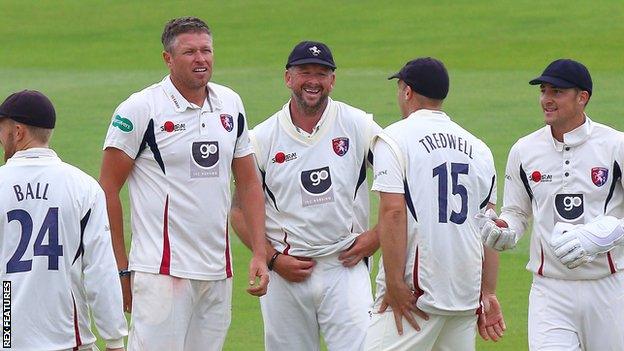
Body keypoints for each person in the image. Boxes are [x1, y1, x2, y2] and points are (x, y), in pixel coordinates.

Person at [99, 17, 268, 351]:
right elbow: (105, 191)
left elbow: (249, 183)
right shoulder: (140, 109)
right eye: (190, 52)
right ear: (168, 59)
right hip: (161, 274)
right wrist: (120, 270)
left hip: (218, 273)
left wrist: (260, 253)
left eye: (206, 50)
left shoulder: (230, 104)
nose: (200, 59)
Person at [231, 41, 381, 350]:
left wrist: (377, 236)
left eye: (321, 74)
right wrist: (271, 258)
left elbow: (401, 184)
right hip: (286, 272)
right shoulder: (262, 138)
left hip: (345, 265)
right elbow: (237, 211)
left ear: (332, 81)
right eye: (304, 73)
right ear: (288, 78)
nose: (313, 81)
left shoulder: (358, 125)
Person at [479, 58, 624, 350]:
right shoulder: (524, 149)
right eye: (544, 91)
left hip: (609, 288)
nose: (547, 99)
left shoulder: (615, 146)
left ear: (582, 97)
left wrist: (606, 236)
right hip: (550, 291)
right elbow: (517, 212)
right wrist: (506, 229)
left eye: (557, 92)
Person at [364, 58, 505, 351]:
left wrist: (393, 282)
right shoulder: (479, 148)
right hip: (465, 295)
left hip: (415, 294)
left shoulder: (393, 139)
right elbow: (490, 228)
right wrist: (487, 292)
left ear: (407, 91)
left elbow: (392, 211)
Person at [0, 90, 127, 351]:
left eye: (2, 130)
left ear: (19, 131)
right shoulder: (83, 187)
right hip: (68, 339)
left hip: (8, 338)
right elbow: (100, 269)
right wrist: (114, 340)